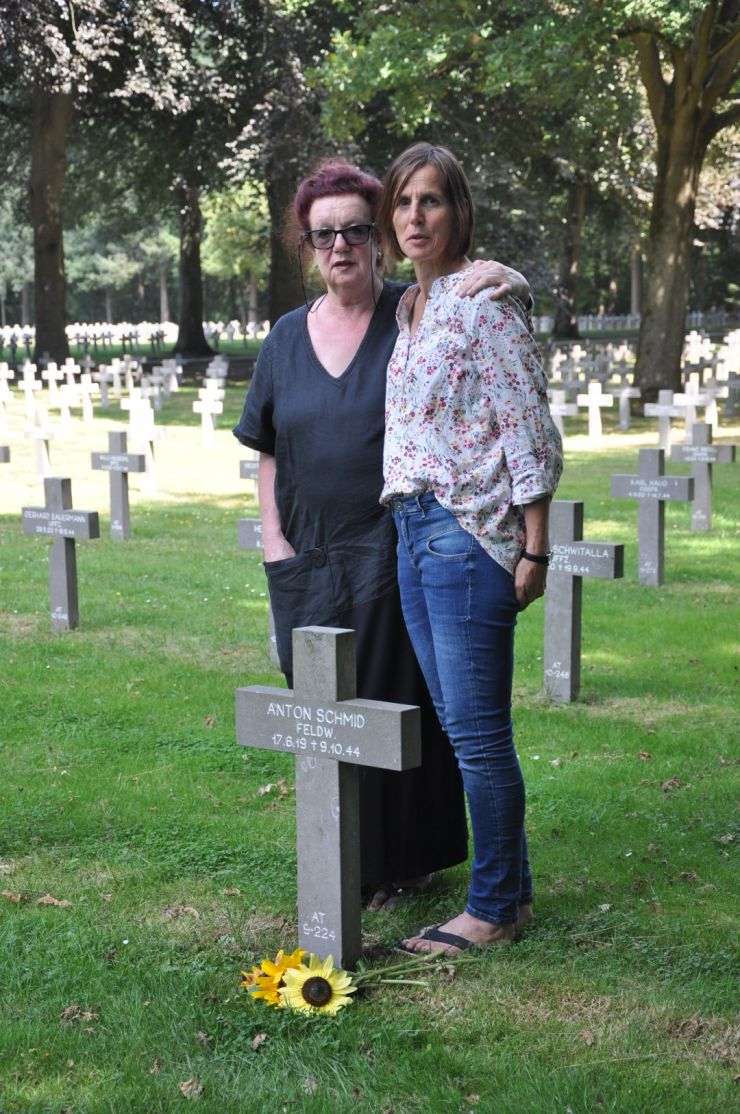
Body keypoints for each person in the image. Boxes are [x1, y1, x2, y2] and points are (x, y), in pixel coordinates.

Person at [233, 159, 533, 909]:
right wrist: (275, 544)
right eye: (324, 234)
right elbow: (267, 449)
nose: (341, 246)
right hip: (307, 558)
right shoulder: (284, 339)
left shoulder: (411, 312)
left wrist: (513, 277)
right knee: (325, 715)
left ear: (379, 241)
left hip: (394, 550)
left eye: (356, 230)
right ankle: (344, 854)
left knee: (401, 710)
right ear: (307, 245)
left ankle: (408, 862)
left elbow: (473, 297)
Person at [377, 143, 563, 954]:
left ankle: (488, 911)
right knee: (460, 726)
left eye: (433, 201)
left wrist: (537, 547)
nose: (416, 217)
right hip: (409, 530)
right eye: (404, 202)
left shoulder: (486, 302)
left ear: (459, 213)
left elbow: (528, 425)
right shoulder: (406, 312)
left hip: (466, 534)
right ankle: (510, 895)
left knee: (479, 735)